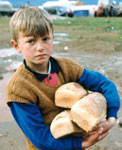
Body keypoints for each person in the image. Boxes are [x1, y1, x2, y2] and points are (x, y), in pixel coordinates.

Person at [6, 7, 120, 150]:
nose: (40, 47)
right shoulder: (18, 89)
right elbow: (40, 137)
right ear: (16, 46)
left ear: (53, 38)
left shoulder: (67, 67)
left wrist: (111, 117)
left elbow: (105, 84)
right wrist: (80, 144)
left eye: (45, 39)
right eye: (31, 41)